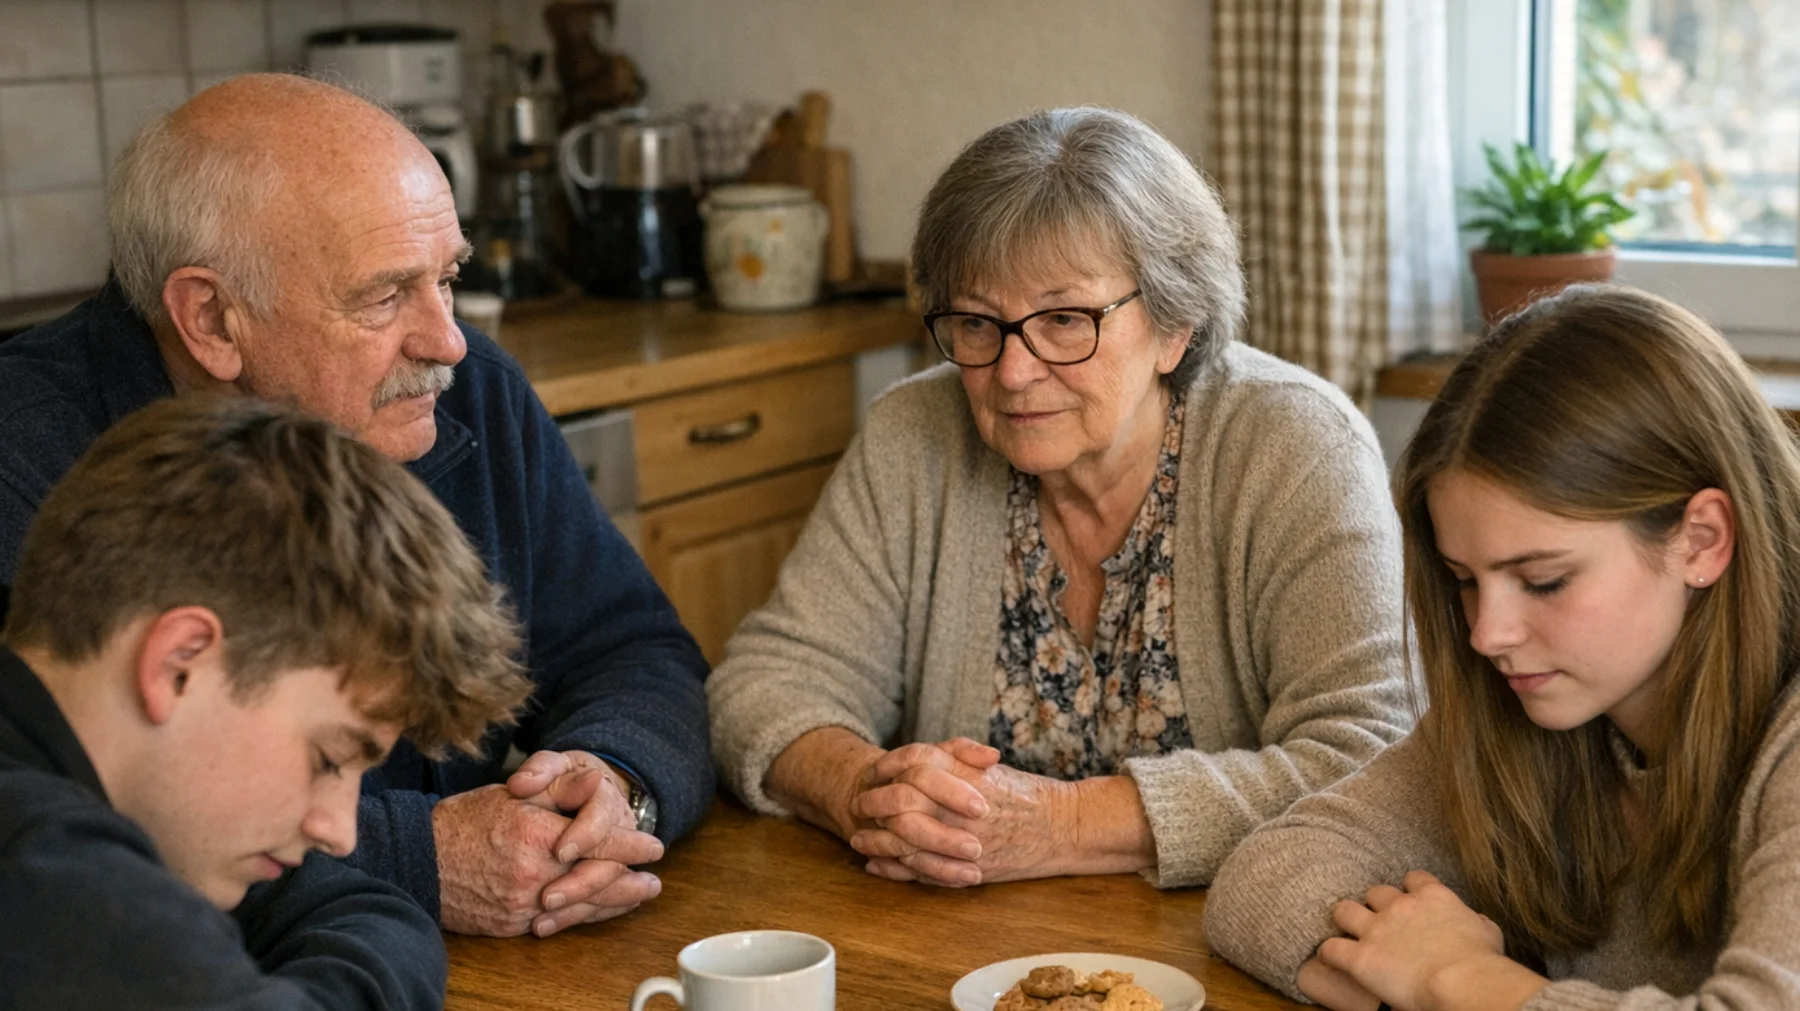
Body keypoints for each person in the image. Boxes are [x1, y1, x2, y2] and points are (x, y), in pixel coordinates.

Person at [0, 73, 711, 939]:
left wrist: (613, 785)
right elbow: (52, 832)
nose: (445, 339)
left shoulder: (461, 390)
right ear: (212, 319)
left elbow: (632, 648)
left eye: (446, 277)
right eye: (383, 295)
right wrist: (415, 858)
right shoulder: (23, 461)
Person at [707, 107, 1412, 888]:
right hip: (960, 947)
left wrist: (1063, 826)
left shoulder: (1295, 446)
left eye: (1066, 319)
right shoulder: (914, 433)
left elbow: (1373, 755)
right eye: (978, 323)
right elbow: (762, 682)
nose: (1012, 372)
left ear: (1174, 324)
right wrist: (867, 791)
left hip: (1221, 946)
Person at [1205, 285, 1800, 1009]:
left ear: (1702, 540)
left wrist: (1460, 978)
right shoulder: (1532, 700)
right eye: (1464, 580)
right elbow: (1268, 876)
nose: (1488, 634)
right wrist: (1418, 973)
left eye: (1543, 580)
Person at [0, 395, 536, 1007]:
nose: (337, 830)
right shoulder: (46, 883)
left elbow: (357, 907)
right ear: (179, 664)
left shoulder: (135, 816)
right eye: (328, 759)